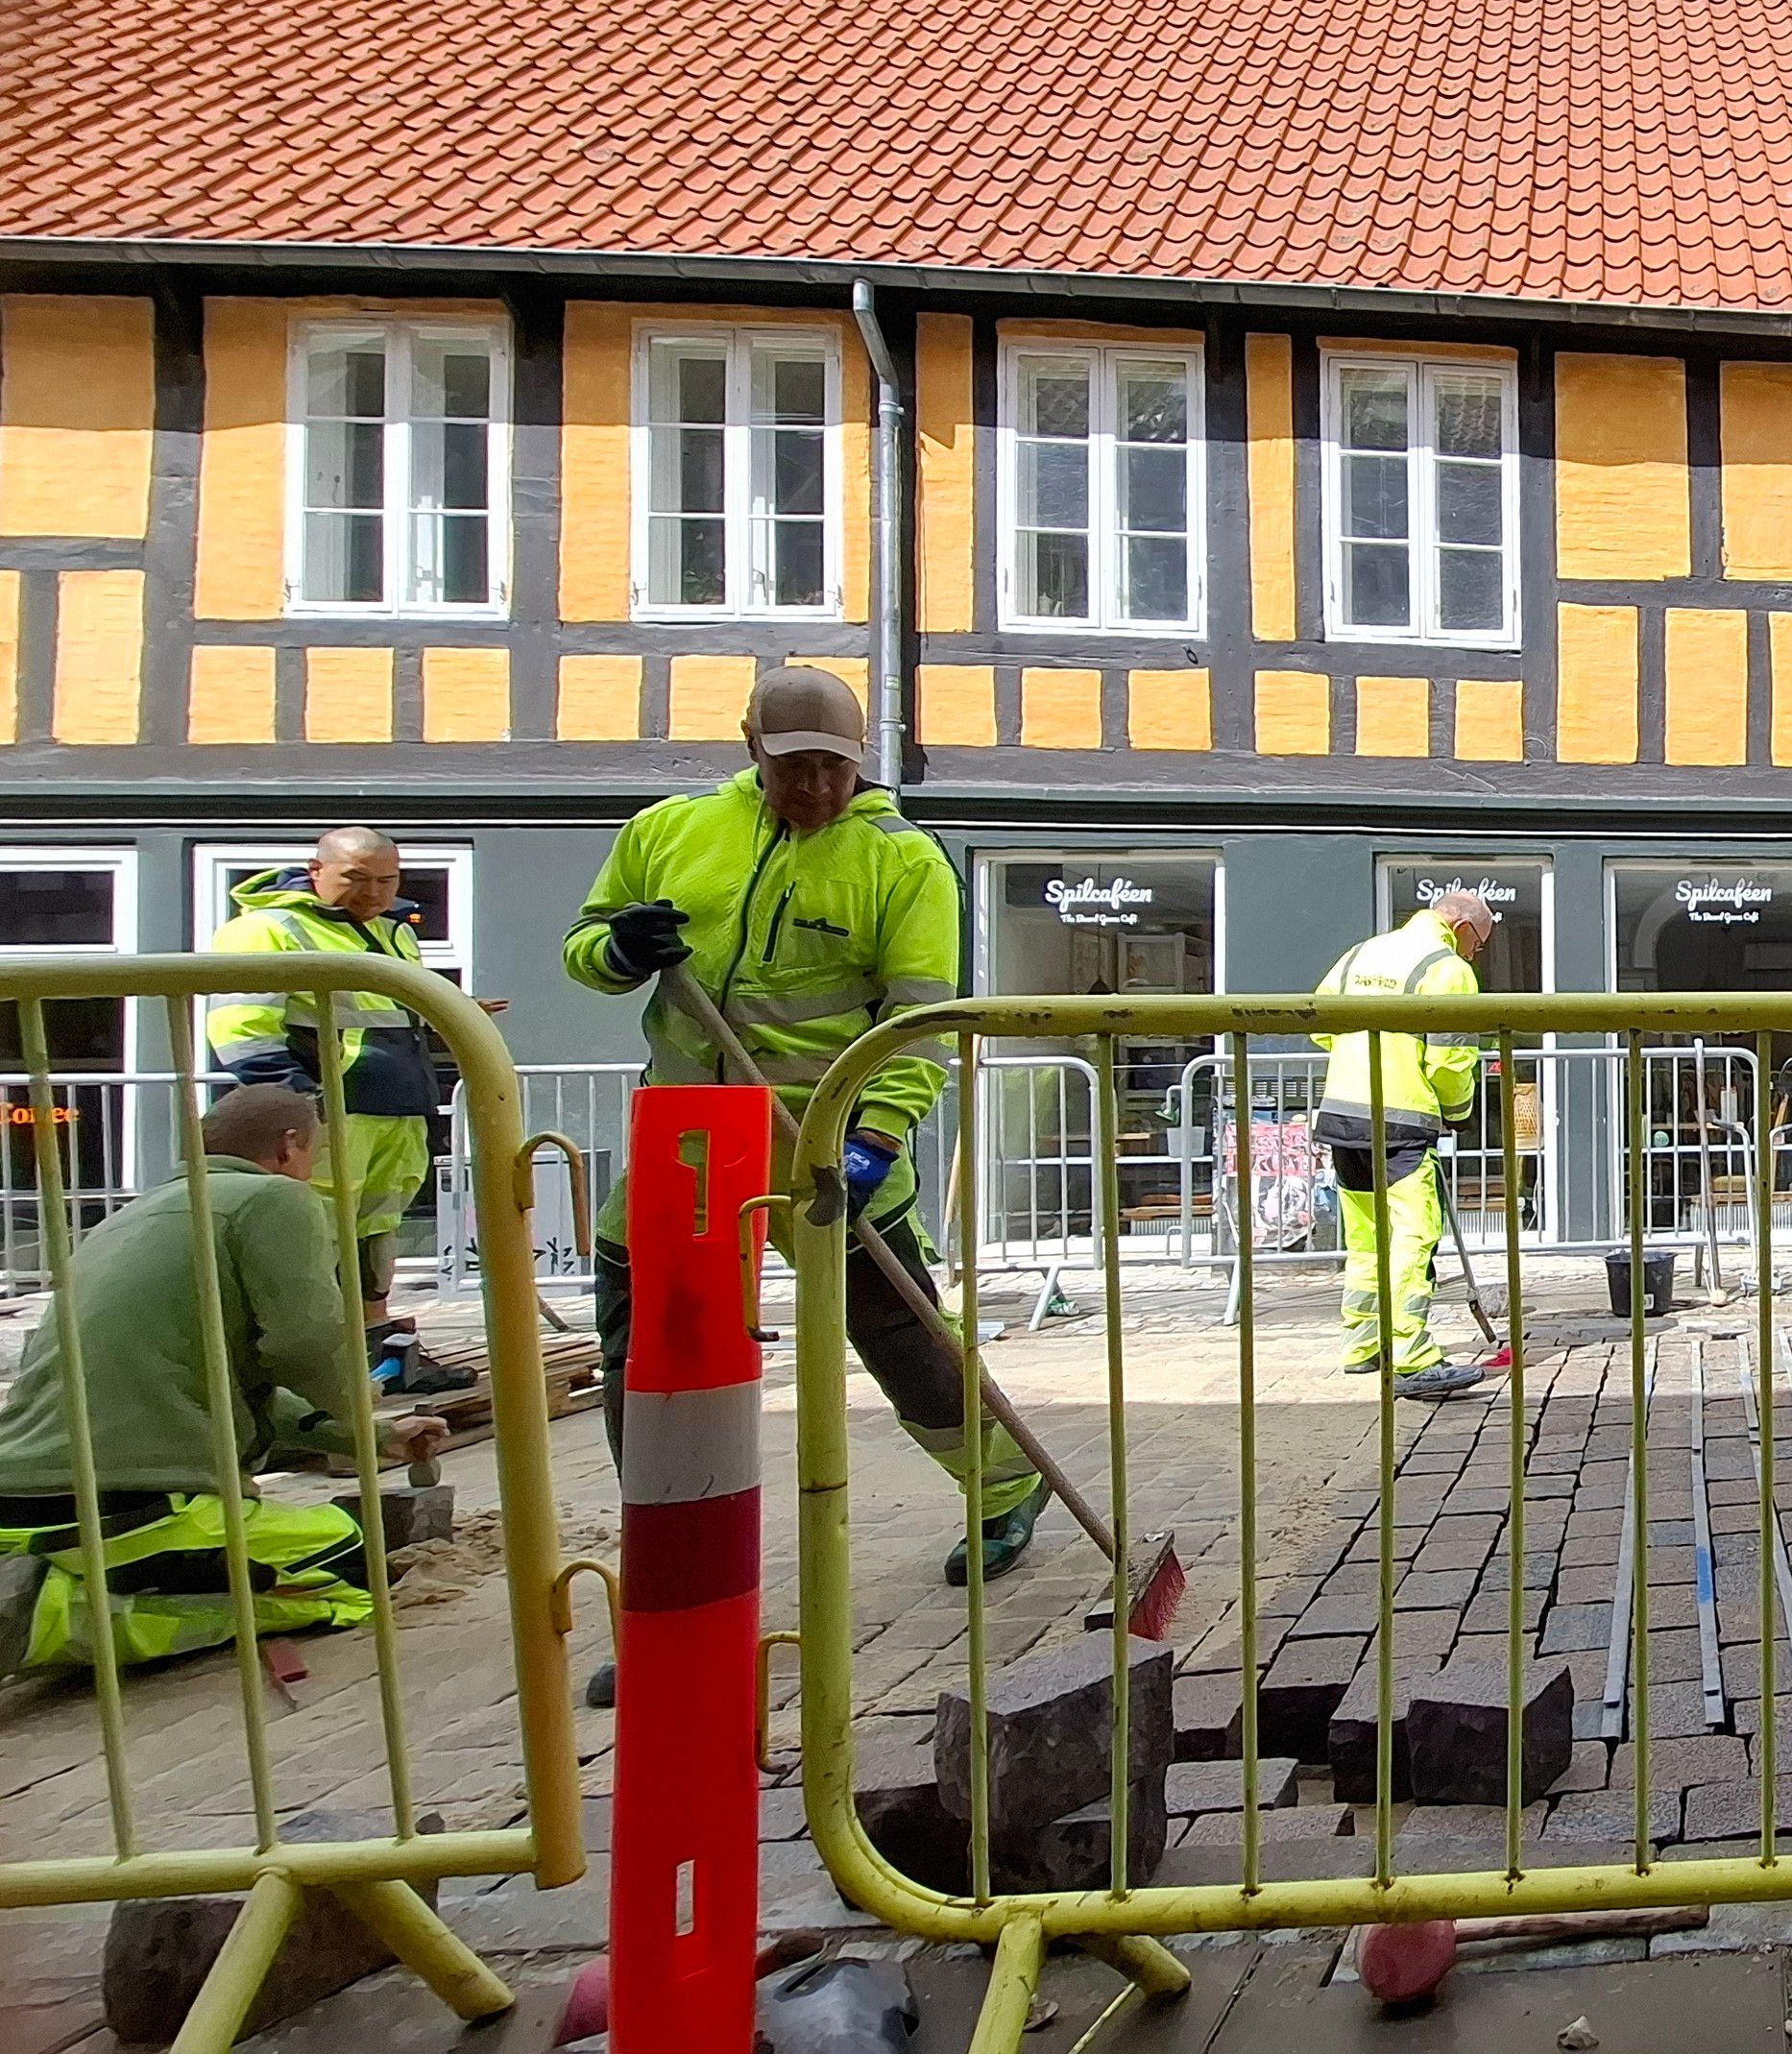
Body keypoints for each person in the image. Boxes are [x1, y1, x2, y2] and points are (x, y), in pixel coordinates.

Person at [563, 667, 1037, 1697]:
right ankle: (677, 1589)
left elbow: (918, 1019)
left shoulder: (900, 861)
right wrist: (619, 946)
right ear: (749, 748)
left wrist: (875, 1138)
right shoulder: (667, 833)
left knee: (899, 1331)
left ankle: (1002, 1486)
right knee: (651, 1358)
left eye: (835, 768)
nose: (817, 788)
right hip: (684, 1142)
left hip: (824, 1139)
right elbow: (585, 949)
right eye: (795, 769)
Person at [0, 1087, 448, 1672]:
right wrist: (360, 1399)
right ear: (289, 1147)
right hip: (130, 1506)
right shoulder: (275, 1201)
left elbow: (211, 1378)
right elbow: (302, 1345)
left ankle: (55, 1578)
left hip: (17, 1500)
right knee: (348, 1556)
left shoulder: (135, 1215)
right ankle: (56, 1614)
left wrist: (370, 1437)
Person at [205, 825, 473, 1391]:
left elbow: (384, 1015)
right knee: (314, 1236)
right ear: (315, 869)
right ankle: (313, 1375)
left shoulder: (392, 929)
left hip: (394, 1107)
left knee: (378, 1228)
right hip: (330, 1112)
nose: (373, 892)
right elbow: (240, 1026)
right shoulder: (266, 928)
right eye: (356, 877)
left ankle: (380, 1359)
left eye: (386, 880)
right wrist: (301, 1105)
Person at [1311, 891, 1494, 1400]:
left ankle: (1363, 1343)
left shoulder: (1361, 952)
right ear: (1460, 928)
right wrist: (1458, 1113)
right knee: (1414, 1236)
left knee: (1366, 1236)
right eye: (1478, 944)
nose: (1475, 955)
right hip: (1402, 1120)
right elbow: (1449, 1060)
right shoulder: (1449, 969)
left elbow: (1320, 1024)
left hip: (1343, 1113)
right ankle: (1412, 1357)